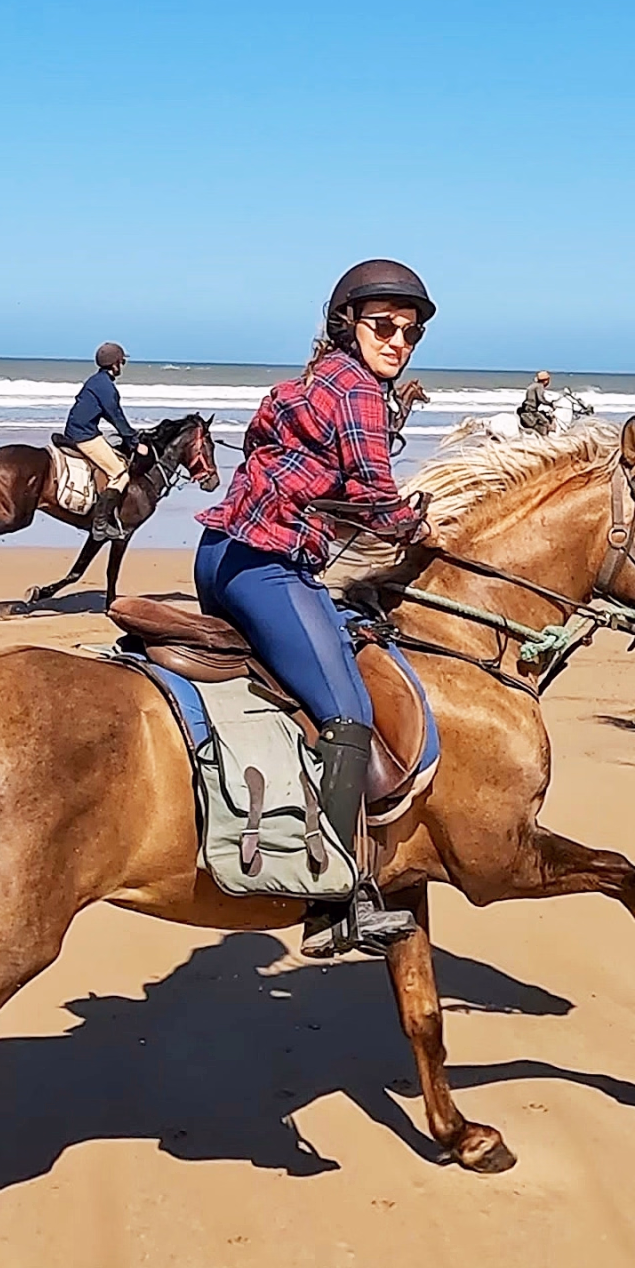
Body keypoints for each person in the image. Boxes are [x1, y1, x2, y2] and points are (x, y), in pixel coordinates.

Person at [194, 259, 437, 958]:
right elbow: (372, 495)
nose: (399, 341)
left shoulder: (309, 382)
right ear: (347, 325)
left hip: (219, 554)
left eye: (410, 333)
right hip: (266, 568)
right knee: (349, 711)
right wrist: (423, 528)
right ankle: (331, 899)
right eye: (384, 326)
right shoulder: (358, 391)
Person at [65, 342, 142, 541]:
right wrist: (134, 442)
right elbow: (115, 416)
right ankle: (100, 525)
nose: (122, 366)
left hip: (81, 430)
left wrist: (130, 434)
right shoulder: (106, 386)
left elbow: (112, 416)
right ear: (115, 364)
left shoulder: (96, 381)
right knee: (120, 474)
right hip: (85, 435)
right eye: (121, 362)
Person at [518, 370, 556, 435]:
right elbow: (540, 399)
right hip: (531, 409)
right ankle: (543, 436)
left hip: (526, 407)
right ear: (545, 380)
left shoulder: (533, 385)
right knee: (545, 421)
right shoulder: (539, 386)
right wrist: (550, 404)